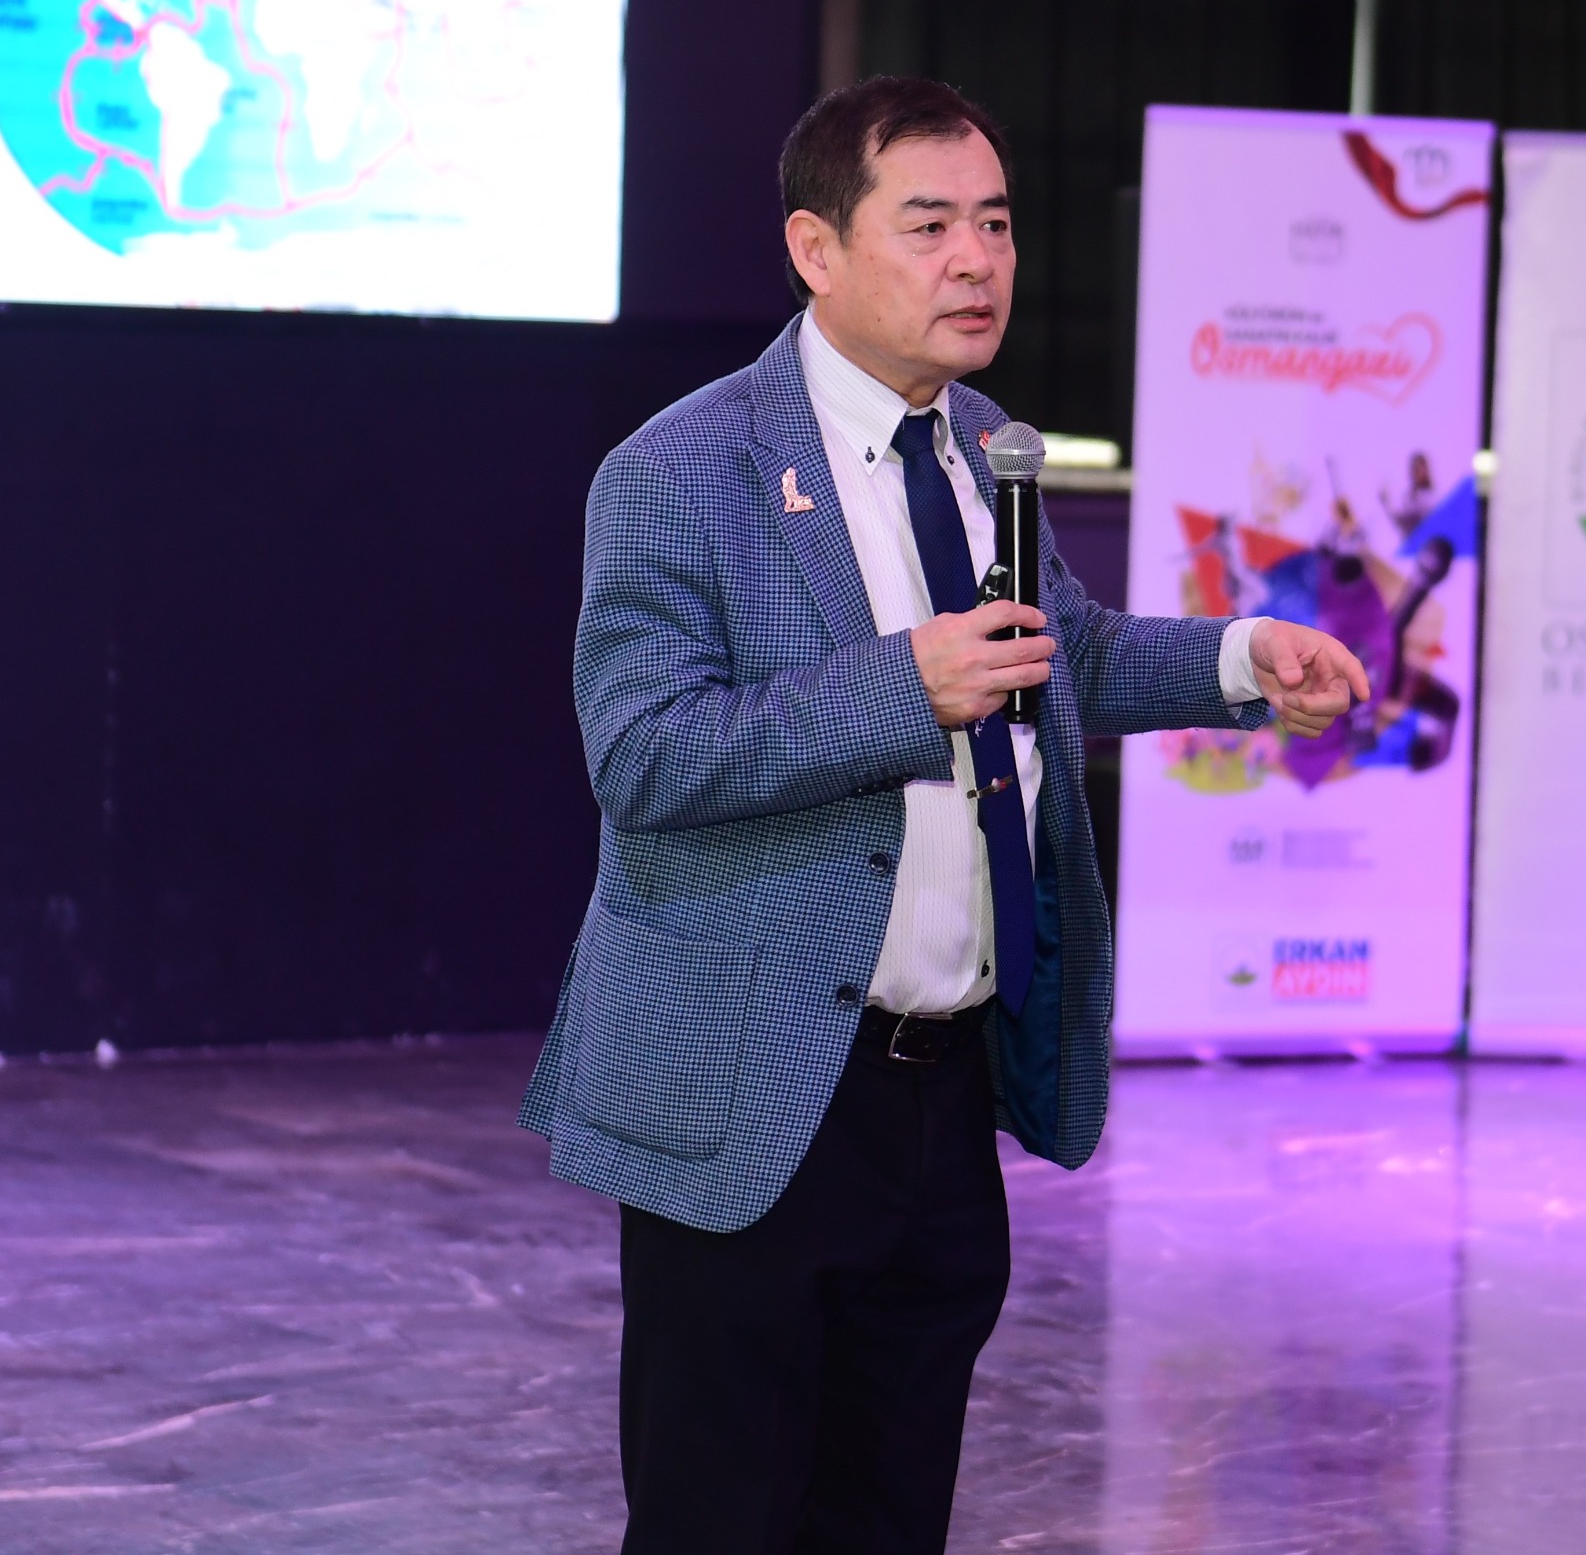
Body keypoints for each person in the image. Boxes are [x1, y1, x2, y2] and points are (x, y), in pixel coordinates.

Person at [517, 75, 1369, 1554]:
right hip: (757, 1087)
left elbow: (1062, 655)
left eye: (997, 223)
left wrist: (1243, 661)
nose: (978, 260)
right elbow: (645, 756)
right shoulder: (678, 472)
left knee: (892, 1514)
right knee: (721, 1519)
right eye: (929, 226)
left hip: (942, 1090)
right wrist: (903, 688)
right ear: (816, 249)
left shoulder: (986, 450)